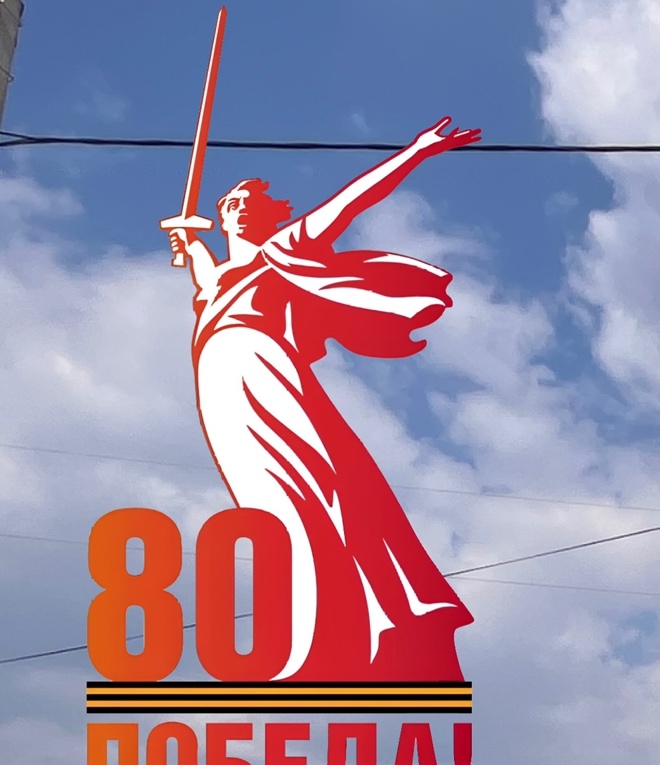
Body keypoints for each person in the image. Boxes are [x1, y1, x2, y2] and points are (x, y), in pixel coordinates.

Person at [160, 123, 481, 680]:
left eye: (244, 200)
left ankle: (350, 624)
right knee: (264, 499)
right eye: (228, 201)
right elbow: (207, 275)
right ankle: (306, 628)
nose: (233, 207)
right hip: (221, 382)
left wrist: (416, 152)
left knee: (312, 489)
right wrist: (190, 244)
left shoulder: (286, 248)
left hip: (263, 368)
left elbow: (353, 200)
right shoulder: (218, 278)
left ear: (268, 213)